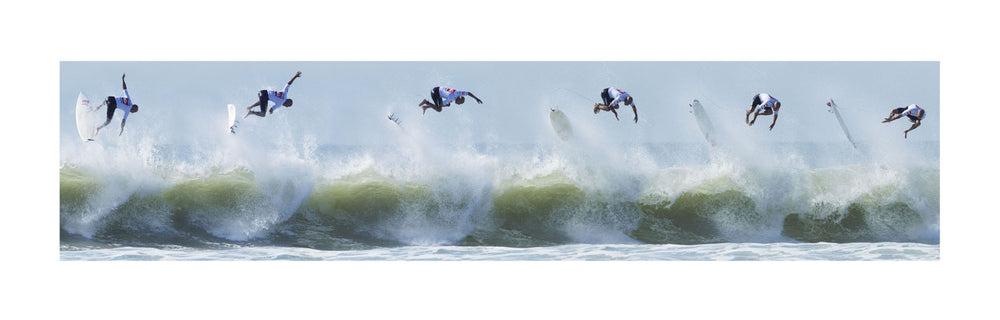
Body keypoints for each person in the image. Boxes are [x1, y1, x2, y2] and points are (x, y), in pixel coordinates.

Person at [418, 86, 483, 114]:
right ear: (459, 98)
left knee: (440, 105)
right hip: (435, 93)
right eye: (460, 103)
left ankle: (425, 107)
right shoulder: (451, 97)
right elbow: (440, 105)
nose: (459, 104)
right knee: (439, 109)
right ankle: (425, 102)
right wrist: (446, 105)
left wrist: (477, 99)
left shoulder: (459, 93)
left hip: (438, 90)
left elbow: (468, 93)